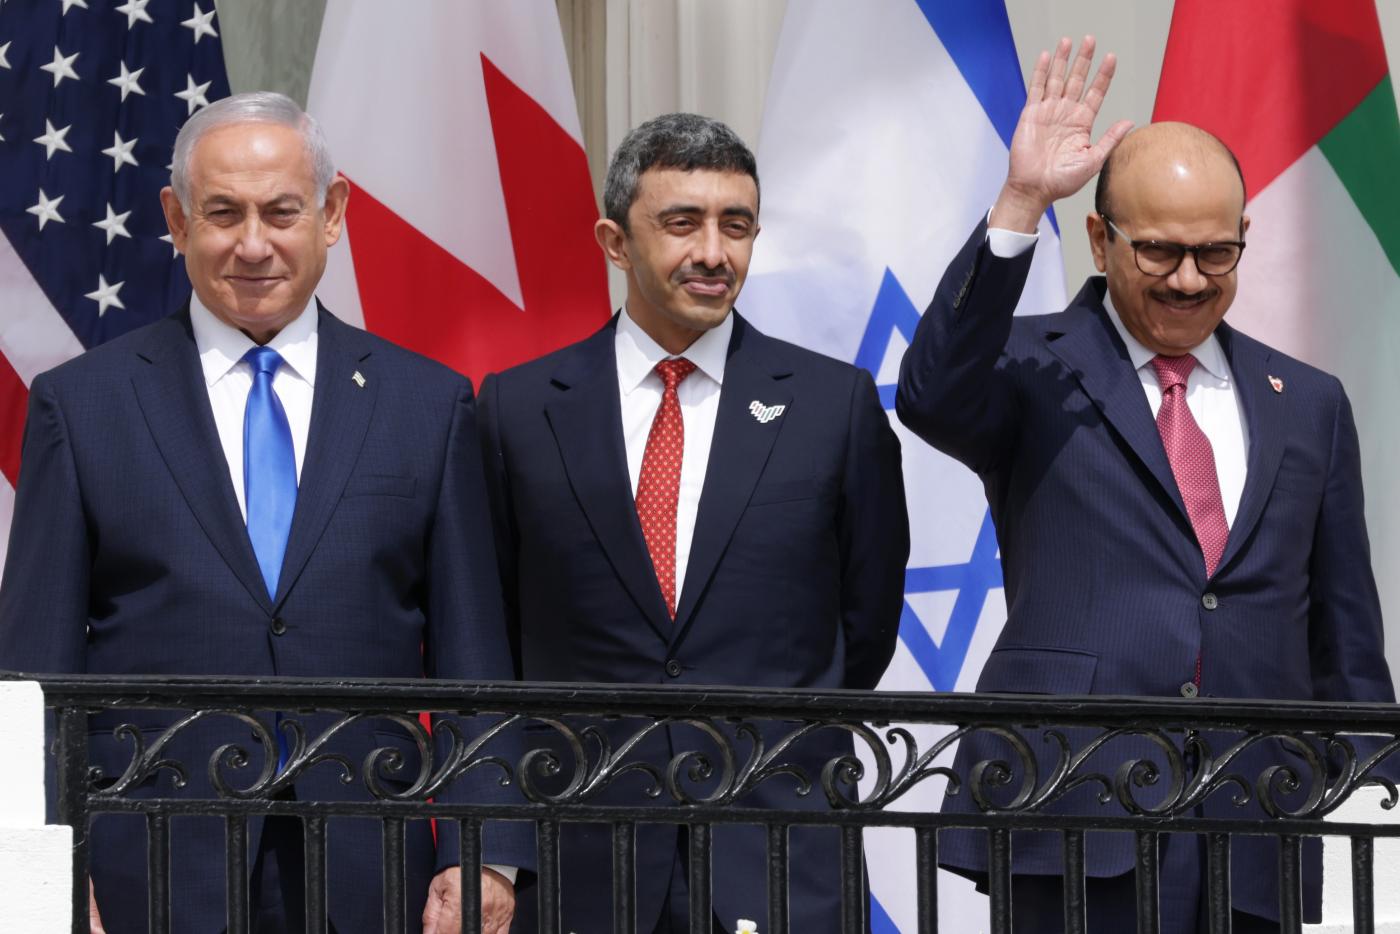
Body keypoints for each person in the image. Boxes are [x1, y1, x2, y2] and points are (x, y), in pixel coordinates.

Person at [895, 37, 1394, 933]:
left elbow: (1343, 633)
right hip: (1073, 803)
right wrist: (1019, 203)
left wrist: (1373, 789)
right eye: (1161, 252)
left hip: (1254, 820)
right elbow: (930, 393)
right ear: (1100, 237)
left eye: (1217, 254)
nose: (1191, 281)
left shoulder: (1308, 404)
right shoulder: (1027, 366)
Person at [0, 92, 528, 934]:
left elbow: (474, 658)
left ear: (333, 214)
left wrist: (484, 849)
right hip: (149, 862)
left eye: (282, 211)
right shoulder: (83, 405)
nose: (254, 244)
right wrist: (45, 866)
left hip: (368, 860)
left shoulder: (427, 405)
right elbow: (34, 673)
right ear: (175, 220)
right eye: (222, 213)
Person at [477, 113, 910, 933]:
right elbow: (493, 625)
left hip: (778, 848)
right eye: (682, 223)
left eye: (736, 226)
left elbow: (865, 619)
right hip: (582, 853)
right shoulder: (519, 408)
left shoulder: (833, 406)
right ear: (614, 241)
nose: (714, 253)